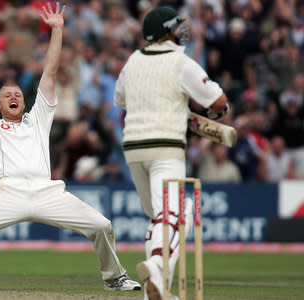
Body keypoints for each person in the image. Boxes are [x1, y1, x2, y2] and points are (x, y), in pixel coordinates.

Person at [0, 4, 141, 292]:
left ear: (24, 102)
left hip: (47, 192)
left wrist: (57, 30)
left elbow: (49, 73)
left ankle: (114, 277)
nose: (13, 96)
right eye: (7, 95)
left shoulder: (38, 119)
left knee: (101, 226)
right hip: (5, 192)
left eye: (18, 95)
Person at [114, 7, 229, 300]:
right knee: (172, 216)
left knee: (162, 218)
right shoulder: (181, 62)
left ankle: (158, 290)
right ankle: (155, 266)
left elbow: (120, 99)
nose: (182, 31)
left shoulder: (133, 60)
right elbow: (218, 99)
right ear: (167, 31)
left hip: (133, 148)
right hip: (166, 147)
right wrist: (216, 113)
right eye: (176, 26)